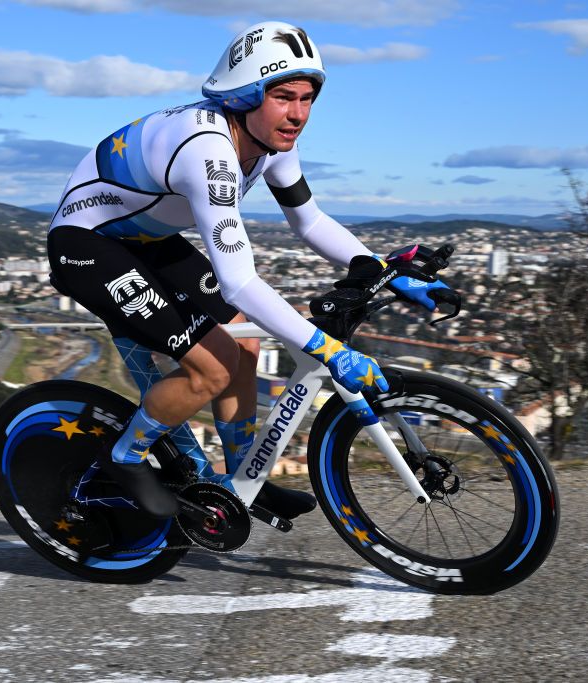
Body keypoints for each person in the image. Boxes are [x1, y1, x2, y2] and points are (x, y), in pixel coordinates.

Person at [47, 21, 444, 519]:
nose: (298, 114)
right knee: (212, 365)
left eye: (307, 98)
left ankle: (243, 480)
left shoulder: (273, 145)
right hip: (86, 245)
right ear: (245, 96)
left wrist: (388, 270)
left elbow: (310, 221)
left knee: (246, 340)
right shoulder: (207, 150)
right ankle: (125, 458)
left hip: (147, 242)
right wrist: (326, 348)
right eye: (283, 97)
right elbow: (237, 279)